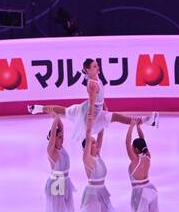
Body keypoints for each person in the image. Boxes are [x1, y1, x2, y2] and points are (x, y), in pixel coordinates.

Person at [29, 58, 159, 148]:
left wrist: (104, 104)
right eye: (95, 66)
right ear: (88, 70)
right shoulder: (91, 84)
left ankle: (38, 108)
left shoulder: (95, 80)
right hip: (92, 113)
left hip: (94, 109)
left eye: (97, 65)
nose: (98, 67)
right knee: (118, 117)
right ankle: (147, 120)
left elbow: (98, 97)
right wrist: (91, 119)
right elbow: (91, 103)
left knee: (65, 110)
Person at [125, 121, 169, 212]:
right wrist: (139, 128)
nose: (131, 148)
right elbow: (143, 143)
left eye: (133, 147)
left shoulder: (135, 160)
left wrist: (131, 126)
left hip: (140, 193)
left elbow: (126, 143)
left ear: (135, 150)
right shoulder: (147, 157)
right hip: (150, 189)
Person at [45, 116, 83, 212]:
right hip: (56, 181)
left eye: (61, 136)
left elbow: (62, 129)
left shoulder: (61, 148)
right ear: (53, 139)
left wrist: (57, 115)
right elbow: (55, 133)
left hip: (65, 181)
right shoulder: (52, 151)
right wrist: (54, 121)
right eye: (59, 137)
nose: (62, 138)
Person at [78, 134, 119, 212]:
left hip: (102, 191)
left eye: (95, 142)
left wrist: (103, 121)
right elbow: (88, 148)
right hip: (93, 193)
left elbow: (100, 138)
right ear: (87, 147)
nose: (96, 144)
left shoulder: (97, 156)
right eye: (93, 143)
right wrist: (89, 128)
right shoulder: (87, 158)